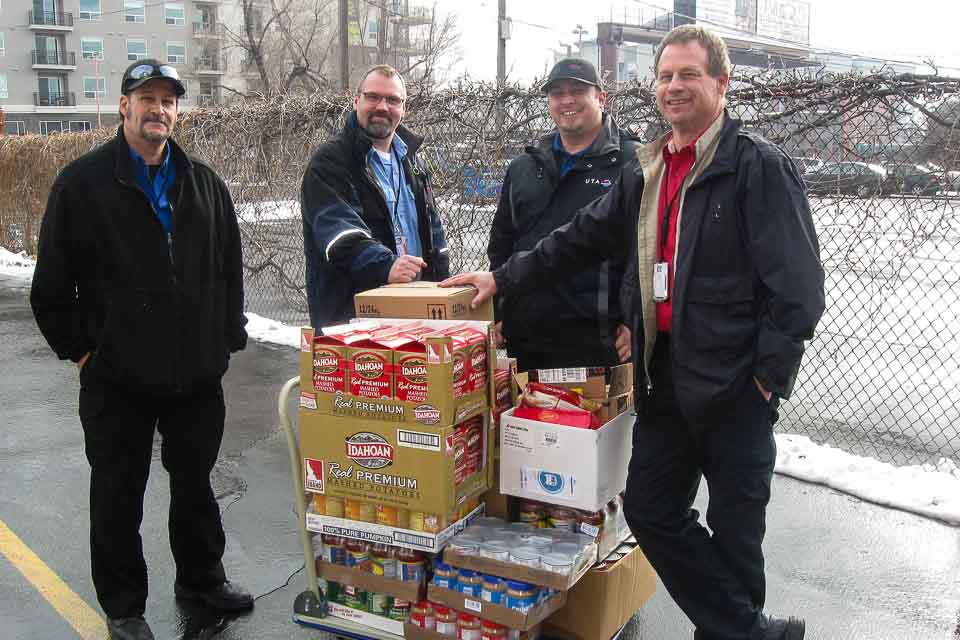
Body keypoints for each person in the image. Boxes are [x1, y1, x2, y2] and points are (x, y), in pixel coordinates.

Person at [443, 25, 824, 640]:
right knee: (649, 507)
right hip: (667, 373)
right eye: (666, 76)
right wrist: (501, 278)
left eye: (688, 75)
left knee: (736, 529)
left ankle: (730, 631)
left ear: (721, 84)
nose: (674, 87)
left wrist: (764, 379)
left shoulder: (757, 167)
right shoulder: (648, 170)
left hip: (736, 384)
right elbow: (579, 238)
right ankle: (750, 632)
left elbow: (799, 289)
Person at [30, 59, 252, 640]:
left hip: (195, 377)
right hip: (116, 379)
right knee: (117, 493)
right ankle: (125, 607)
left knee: (196, 483)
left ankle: (202, 581)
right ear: (124, 106)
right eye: (146, 97)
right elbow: (51, 288)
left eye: (168, 100)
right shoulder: (82, 185)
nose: (159, 109)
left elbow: (229, 270)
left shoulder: (203, 183)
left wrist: (225, 341)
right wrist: (84, 355)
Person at [488, 58, 637, 369]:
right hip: (528, 343)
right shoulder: (523, 168)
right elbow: (501, 244)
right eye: (557, 93)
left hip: (598, 344)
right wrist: (500, 313)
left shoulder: (630, 162)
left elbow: (648, 249)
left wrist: (636, 319)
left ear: (601, 97)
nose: (567, 100)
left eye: (578, 90)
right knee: (523, 419)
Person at [301, 64, 449, 328]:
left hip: (415, 316)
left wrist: (445, 291)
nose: (382, 106)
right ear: (356, 100)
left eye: (393, 100)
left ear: (403, 108)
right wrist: (387, 266)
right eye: (373, 97)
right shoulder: (331, 163)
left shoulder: (412, 162)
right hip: (352, 322)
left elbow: (434, 236)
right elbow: (340, 235)